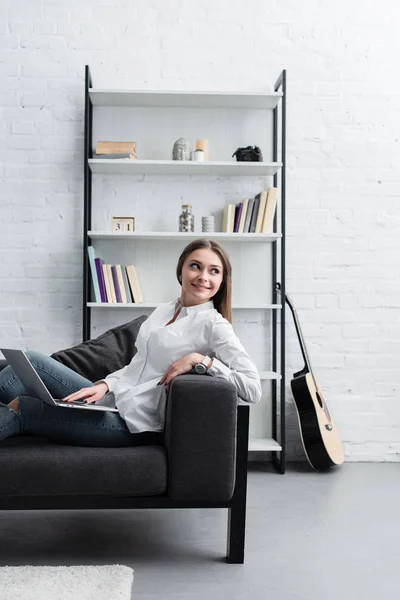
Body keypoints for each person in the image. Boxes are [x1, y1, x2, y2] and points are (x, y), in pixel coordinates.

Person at [0, 238, 261, 447]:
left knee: (24, 408)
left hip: (132, 424)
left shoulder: (214, 325)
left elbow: (252, 388)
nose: (203, 276)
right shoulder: (163, 311)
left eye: (214, 271)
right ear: (180, 269)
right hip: (113, 399)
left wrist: (202, 360)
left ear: (222, 281)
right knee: (31, 360)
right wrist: (105, 384)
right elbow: (138, 365)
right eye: (195, 266)